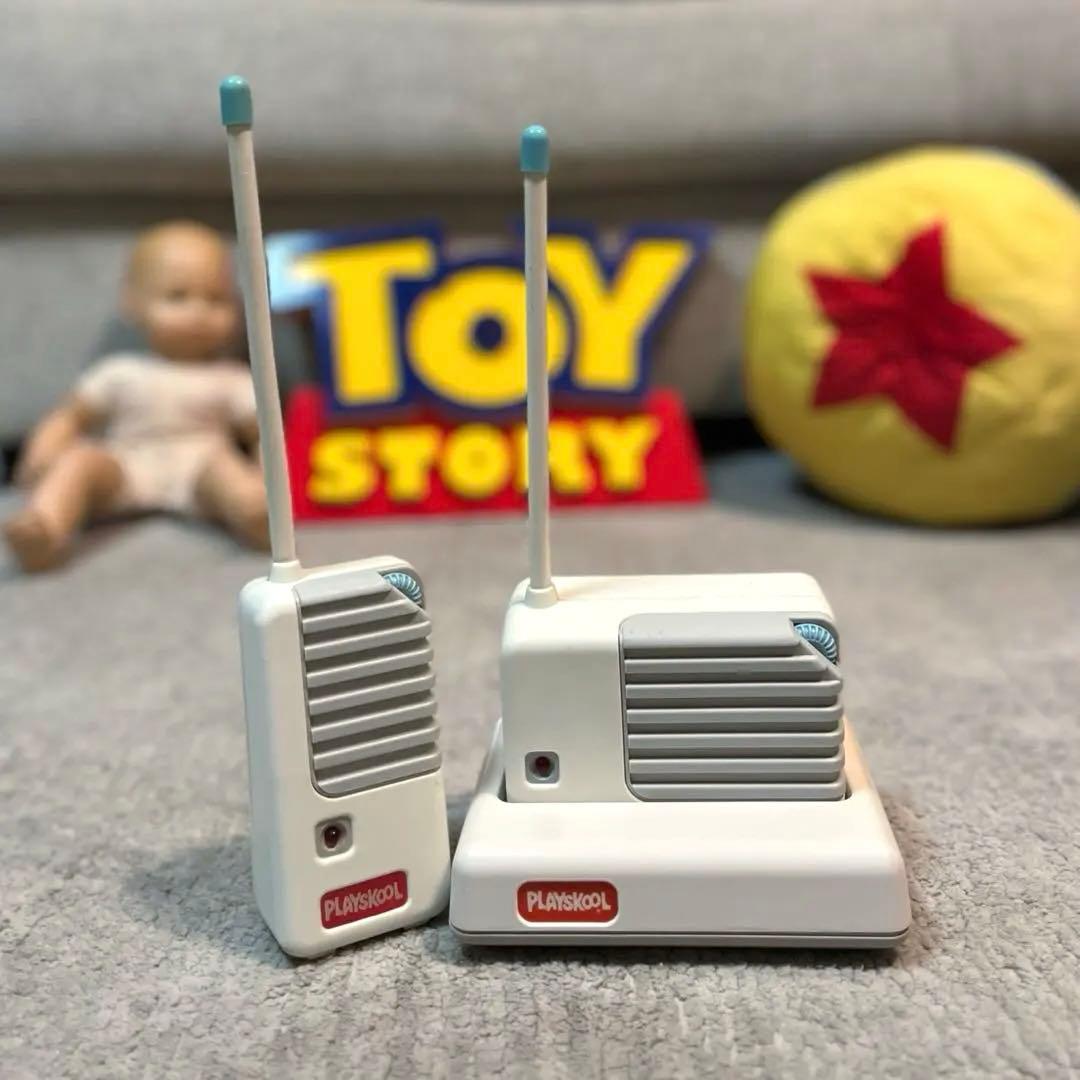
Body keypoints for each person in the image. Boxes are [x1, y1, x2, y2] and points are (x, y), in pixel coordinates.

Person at [3, 220, 268, 571]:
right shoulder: (120, 372)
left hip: (200, 469)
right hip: (125, 465)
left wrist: (266, 476)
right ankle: (44, 528)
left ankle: (257, 516)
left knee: (227, 472)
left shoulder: (232, 378)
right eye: (178, 296)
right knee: (80, 461)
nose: (199, 312)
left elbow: (261, 434)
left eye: (216, 299)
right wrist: (44, 451)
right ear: (133, 302)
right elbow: (70, 415)